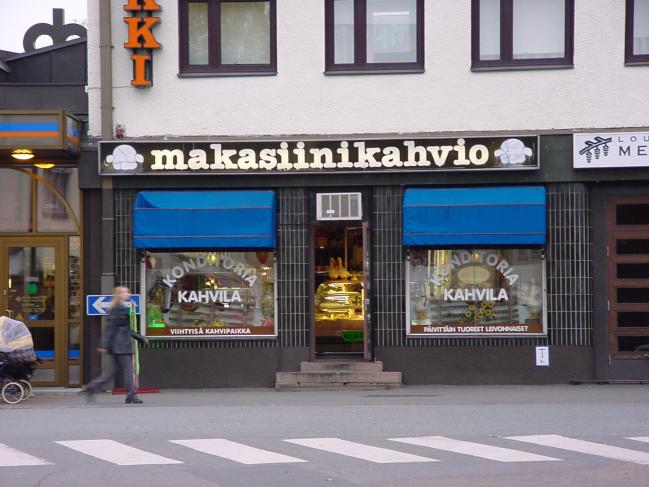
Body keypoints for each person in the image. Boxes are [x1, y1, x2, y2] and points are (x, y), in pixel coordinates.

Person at [84, 286, 149, 404]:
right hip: (121, 345)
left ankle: (92, 386)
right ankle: (131, 395)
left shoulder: (118, 307)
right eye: (125, 292)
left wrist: (140, 338)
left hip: (117, 345)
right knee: (128, 370)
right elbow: (111, 327)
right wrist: (104, 344)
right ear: (119, 295)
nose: (128, 294)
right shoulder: (118, 308)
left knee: (112, 371)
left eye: (128, 292)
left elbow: (120, 328)